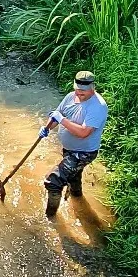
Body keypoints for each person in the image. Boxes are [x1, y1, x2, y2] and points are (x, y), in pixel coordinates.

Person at [41, 69, 108, 218]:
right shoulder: (70, 97)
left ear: (93, 87)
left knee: (54, 181)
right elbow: (56, 116)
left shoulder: (98, 107)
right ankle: (78, 200)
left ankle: (50, 218)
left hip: (84, 152)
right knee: (73, 177)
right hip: (69, 149)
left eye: (84, 91)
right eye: (77, 90)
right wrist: (46, 128)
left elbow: (84, 133)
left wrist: (62, 120)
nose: (80, 94)